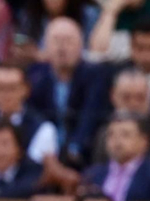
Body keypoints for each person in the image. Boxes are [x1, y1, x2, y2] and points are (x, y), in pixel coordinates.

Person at [28, 16, 110, 169]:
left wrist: (75, 148)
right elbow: (33, 116)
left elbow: (90, 115)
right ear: (46, 46)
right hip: (45, 155)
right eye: (56, 41)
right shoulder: (35, 76)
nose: (62, 47)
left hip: (83, 152)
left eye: (68, 41)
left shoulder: (95, 75)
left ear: (81, 46)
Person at [83, 112, 150, 201]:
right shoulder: (92, 175)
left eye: (125, 135)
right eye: (111, 135)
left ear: (144, 141)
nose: (117, 141)